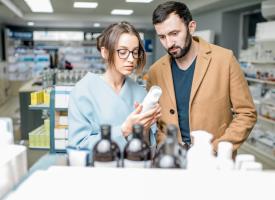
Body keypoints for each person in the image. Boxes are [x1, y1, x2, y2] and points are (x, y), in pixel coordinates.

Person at [146, 1, 257, 156]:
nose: (169, 43)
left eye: (174, 34)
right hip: (172, 158)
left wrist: (216, 148)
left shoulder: (225, 60)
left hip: (214, 160)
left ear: (191, 27)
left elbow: (246, 113)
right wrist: (166, 144)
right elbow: (154, 123)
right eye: (162, 37)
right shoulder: (155, 72)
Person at [68, 21, 161, 151]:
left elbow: (147, 148)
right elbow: (77, 145)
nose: (131, 59)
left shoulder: (140, 93)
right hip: (99, 165)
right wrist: (124, 130)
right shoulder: (83, 91)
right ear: (105, 52)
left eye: (135, 52)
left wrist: (144, 129)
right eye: (123, 52)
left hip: (134, 165)